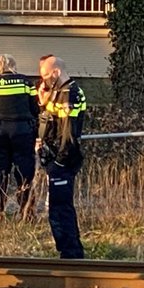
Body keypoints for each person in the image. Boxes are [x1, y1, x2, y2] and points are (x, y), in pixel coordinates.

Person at [36, 53, 87, 259]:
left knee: (60, 210)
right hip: (54, 157)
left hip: (62, 160)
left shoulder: (69, 93)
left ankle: (71, 254)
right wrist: (43, 101)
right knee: (56, 209)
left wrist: (58, 161)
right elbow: (50, 119)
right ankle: (67, 252)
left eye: (46, 75)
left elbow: (68, 131)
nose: (43, 80)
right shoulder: (58, 92)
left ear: (56, 72)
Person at [0, 53, 39, 220]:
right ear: (14, 65)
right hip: (23, 131)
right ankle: (27, 211)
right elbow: (36, 109)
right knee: (25, 171)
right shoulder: (27, 83)